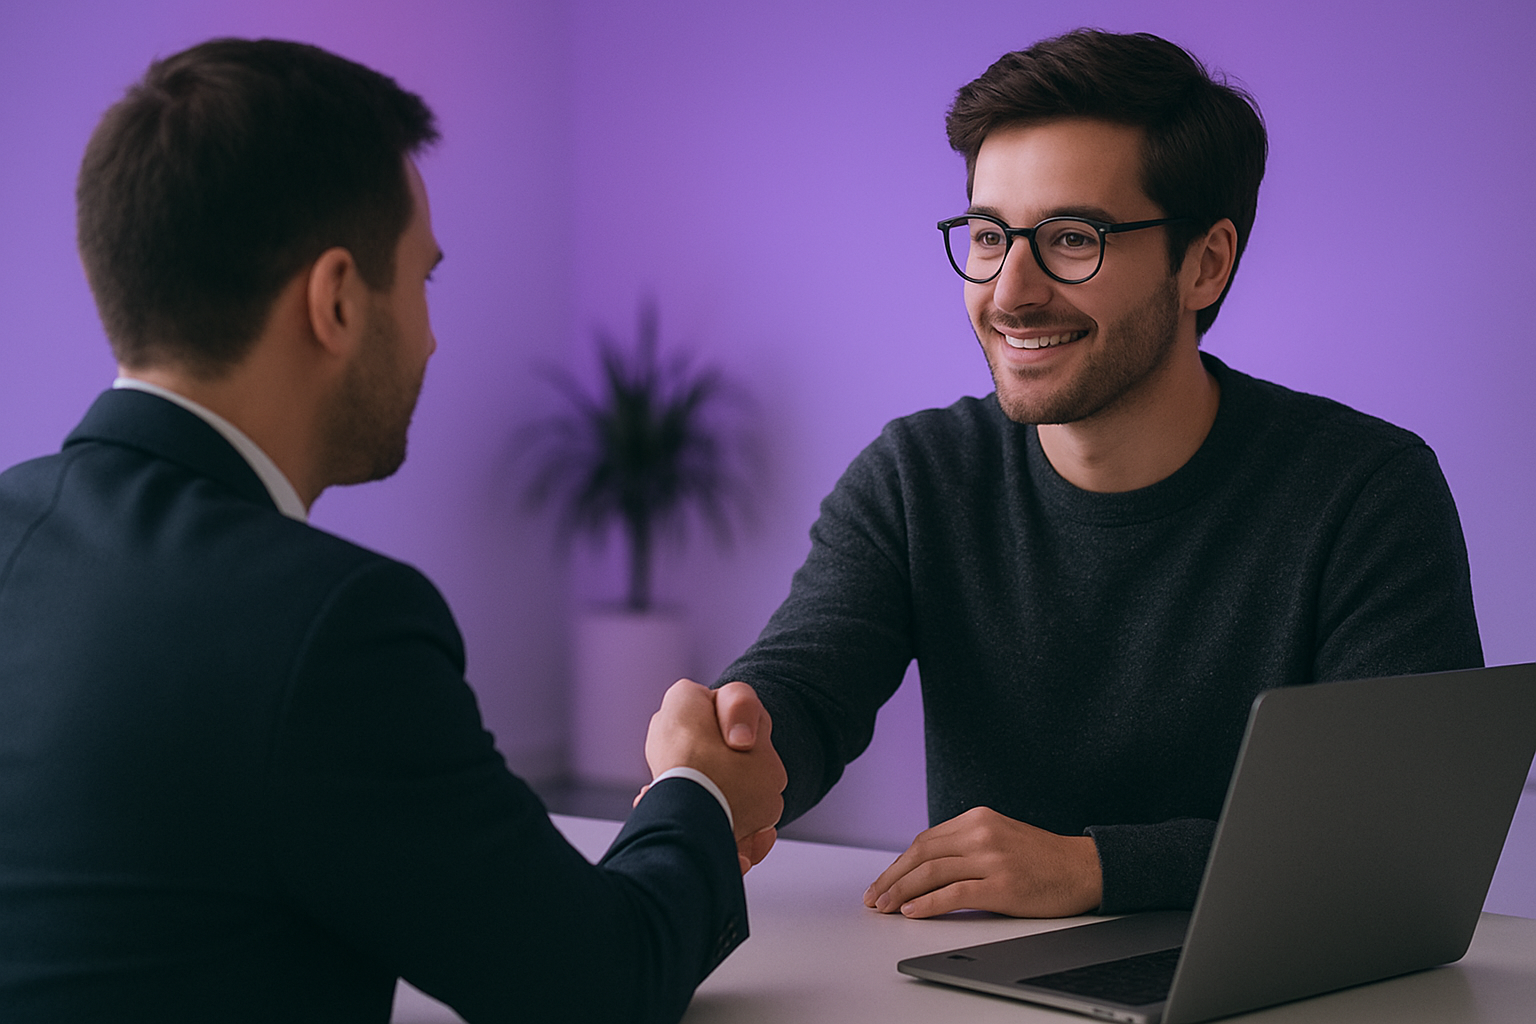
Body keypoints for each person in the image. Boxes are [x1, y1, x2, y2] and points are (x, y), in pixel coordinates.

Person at [0, 38, 784, 1023]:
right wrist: (701, 794)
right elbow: (598, 983)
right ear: (334, 300)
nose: (431, 334)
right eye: (424, 280)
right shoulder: (329, 626)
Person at [713, 29, 1481, 920]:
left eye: (1073, 238)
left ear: (1206, 262)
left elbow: (1395, 835)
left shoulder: (1366, 493)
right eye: (990, 235)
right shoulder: (918, 477)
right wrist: (733, 744)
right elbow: (805, 695)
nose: (1010, 290)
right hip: (985, 990)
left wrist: (1095, 871)